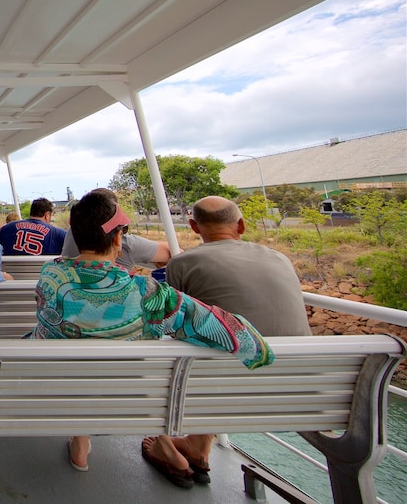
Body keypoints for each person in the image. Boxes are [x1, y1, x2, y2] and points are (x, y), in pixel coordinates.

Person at [30, 190, 273, 486]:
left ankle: (81, 441)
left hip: (54, 390)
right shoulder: (145, 293)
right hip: (129, 400)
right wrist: (260, 351)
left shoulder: (49, 276)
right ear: (118, 238)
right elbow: (215, 327)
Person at [167, 196, 310, 337]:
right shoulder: (280, 257)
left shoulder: (182, 264)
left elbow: (172, 322)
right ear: (241, 225)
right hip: (308, 354)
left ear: (194, 226)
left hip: (233, 358)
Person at [61, 189, 171, 271]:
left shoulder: (52, 274)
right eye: (122, 229)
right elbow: (172, 251)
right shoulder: (128, 245)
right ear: (117, 238)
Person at [0, 198, 66, 255]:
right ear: (47, 215)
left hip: (11, 273)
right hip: (44, 273)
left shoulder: (7, 228)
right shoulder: (57, 233)